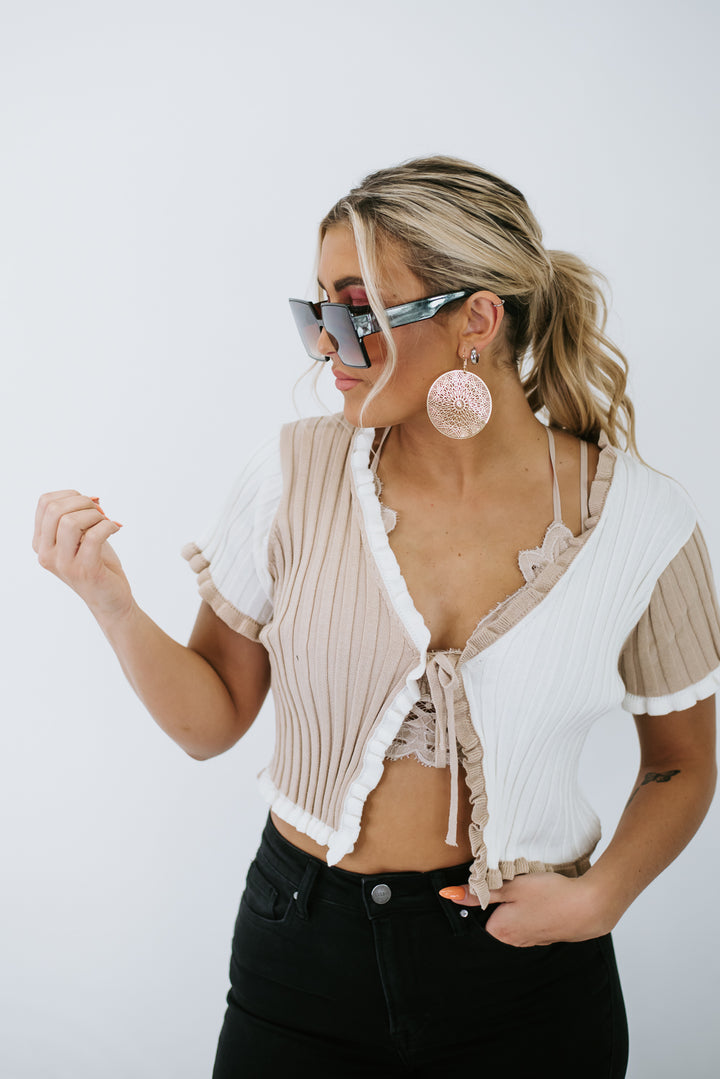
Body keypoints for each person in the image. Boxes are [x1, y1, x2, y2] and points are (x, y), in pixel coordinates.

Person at [34, 156, 718, 1078]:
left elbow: (682, 760)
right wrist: (111, 602)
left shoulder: (643, 521)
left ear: (477, 319)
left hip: (528, 974)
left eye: (356, 312)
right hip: (301, 954)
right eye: (315, 311)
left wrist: (601, 898)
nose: (326, 345)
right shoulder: (293, 475)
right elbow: (211, 722)